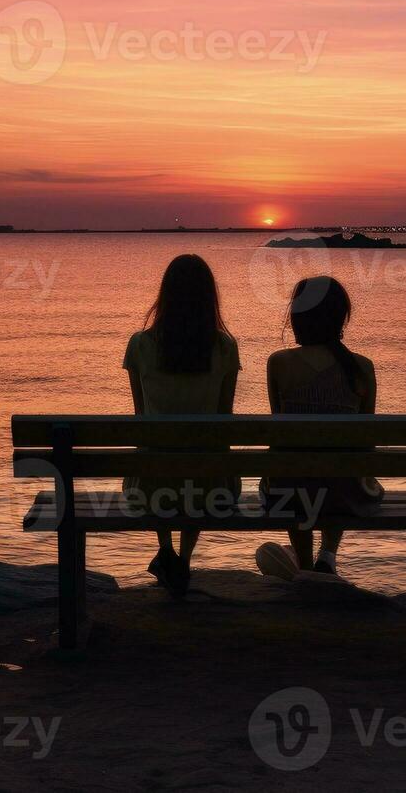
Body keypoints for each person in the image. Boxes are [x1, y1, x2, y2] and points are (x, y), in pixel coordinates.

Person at [123, 254, 240, 597]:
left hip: (149, 488)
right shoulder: (225, 347)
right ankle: (184, 559)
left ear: (166, 295)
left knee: (158, 456)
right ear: (209, 298)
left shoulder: (140, 345)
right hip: (211, 489)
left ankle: (166, 549)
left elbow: (141, 419)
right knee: (202, 464)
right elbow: (224, 423)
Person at [258, 276, 382, 578]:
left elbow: (280, 437)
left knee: (291, 472)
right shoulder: (361, 368)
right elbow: (366, 442)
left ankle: (303, 562)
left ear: (297, 316)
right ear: (341, 317)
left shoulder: (279, 363)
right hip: (346, 494)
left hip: (290, 493)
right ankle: (327, 555)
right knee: (340, 471)